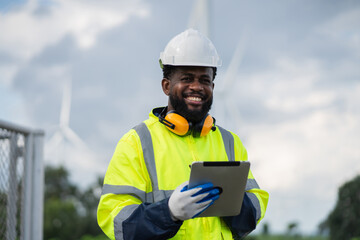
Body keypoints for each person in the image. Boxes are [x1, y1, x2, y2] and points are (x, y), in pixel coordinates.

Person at [97, 28, 269, 240]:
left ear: (213, 86)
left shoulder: (230, 142)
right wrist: (168, 213)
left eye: (204, 80)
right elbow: (117, 223)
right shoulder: (136, 143)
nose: (197, 87)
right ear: (166, 86)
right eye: (187, 78)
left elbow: (255, 209)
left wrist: (230, 200)